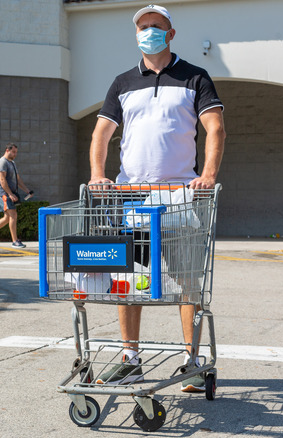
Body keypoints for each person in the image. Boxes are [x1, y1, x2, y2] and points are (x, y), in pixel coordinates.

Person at [88, 5, 225, 392]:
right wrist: (98, 175)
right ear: (136, 35)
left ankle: (191, 362)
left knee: (187, 282)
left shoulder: (194, 77)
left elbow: (214, 128)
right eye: (143, 27)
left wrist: (208, 176)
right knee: (130, 282)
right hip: (133, 198)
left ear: (171, 33)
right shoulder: (122, 82)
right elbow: (101, 133)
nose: (149, 32)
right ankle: (131, 359)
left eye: (156, 27)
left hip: (181, 197)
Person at [0, 142, 32, 248]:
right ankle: (15, 241)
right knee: (13, 215)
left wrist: (26, 190)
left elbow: (17, 179)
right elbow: (2, 180)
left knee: (7, 217)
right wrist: (10, 194)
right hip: (4, 194)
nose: (15, 154)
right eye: (13, 152)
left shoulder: (12, 163)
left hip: (10, 193)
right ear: (7, 150)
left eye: (16, 152)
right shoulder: (2, 162)